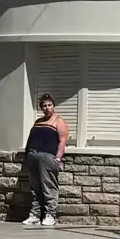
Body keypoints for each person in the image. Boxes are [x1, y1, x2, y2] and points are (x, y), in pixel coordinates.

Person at [22, 93, 68, 227]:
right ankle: (35, 215)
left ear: (53, 106)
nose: (47, 108)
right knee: (35, 188)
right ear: (41, 108)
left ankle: (50, 215)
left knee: (49, 188)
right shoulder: (38, 122)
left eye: (49, 105)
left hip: (47, 157)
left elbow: (62, 142)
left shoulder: (59, 121)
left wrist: (58, 159)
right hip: (33, 157)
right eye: (44, 106)